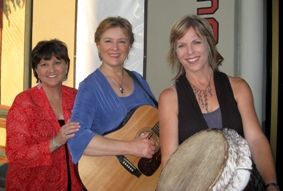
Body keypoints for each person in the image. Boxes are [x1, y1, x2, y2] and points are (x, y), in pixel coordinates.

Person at [158, 15, 279, 191]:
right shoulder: (169, 98)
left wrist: (271, 183)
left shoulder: (238, 87)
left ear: (209, 43)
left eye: (196, 42)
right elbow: (170, 161)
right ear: (175, 52)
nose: (189, 51)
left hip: (245, 184)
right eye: (181, 45)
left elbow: (256, 140)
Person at [68, 16, 157, 166]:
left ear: (129, 46)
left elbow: (156, 121)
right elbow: (77, 138)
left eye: (122, 41)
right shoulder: (89, 87)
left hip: (146, 175)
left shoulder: (138, 80)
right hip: (113, 178)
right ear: (98, 45)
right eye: (108, 41)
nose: (115, 48)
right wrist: (132, 147)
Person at [6, 39, 85, 190]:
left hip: (75, 183)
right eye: (44, 64)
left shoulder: (77, 97)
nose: (52, 70)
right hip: (34, 184)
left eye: (57, 62)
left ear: (66, 66)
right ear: (36, 70)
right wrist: (55, 142)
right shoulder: (24, 102)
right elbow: (16, 154)